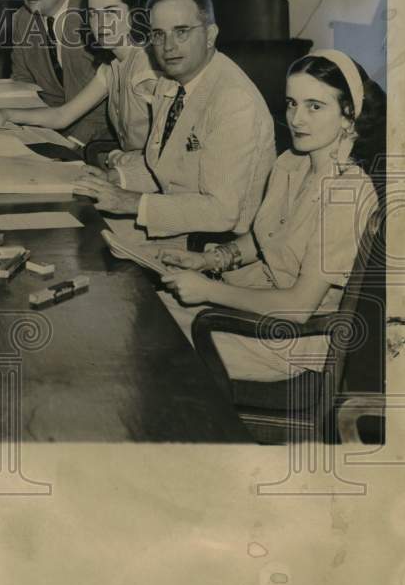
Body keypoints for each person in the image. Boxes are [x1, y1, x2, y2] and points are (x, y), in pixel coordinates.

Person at [157, 50, 383, 381]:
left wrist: (208, 291)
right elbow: (264, 239)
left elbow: (300, 306)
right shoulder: (291, 163)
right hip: (257, 304)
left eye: (314, 106)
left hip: (294, 337)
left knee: (157, 343)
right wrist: (210, 261)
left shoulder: (348, 195)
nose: (297, 118)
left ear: (349, 116)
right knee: (153, 308)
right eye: (292, 103)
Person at [72, 0, 276, 248]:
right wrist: (115, 179)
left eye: (181, 32)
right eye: (159, 34)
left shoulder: (234, 101)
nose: (168, 46)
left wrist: (130, 201)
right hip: (176, 220)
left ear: (210, 35)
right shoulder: (172, 82)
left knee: (90, 250)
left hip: (215, 244)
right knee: (76, 229)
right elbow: (166, 164)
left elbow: (222, 212)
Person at [0, 0, 155, 161]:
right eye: (94, 14)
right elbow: (62, 116)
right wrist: (5, 113)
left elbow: (172, 146)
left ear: (134, 14)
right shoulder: (111, 67)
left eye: (111, 12)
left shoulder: (148, 67)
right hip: (128, 165)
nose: (101, 23)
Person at [8, 0, 110, 145]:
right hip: (45, 126)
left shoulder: (92, 18)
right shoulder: (22, 19)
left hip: (96, 135)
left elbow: (104, 105)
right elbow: (23, 83)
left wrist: (72, 143)